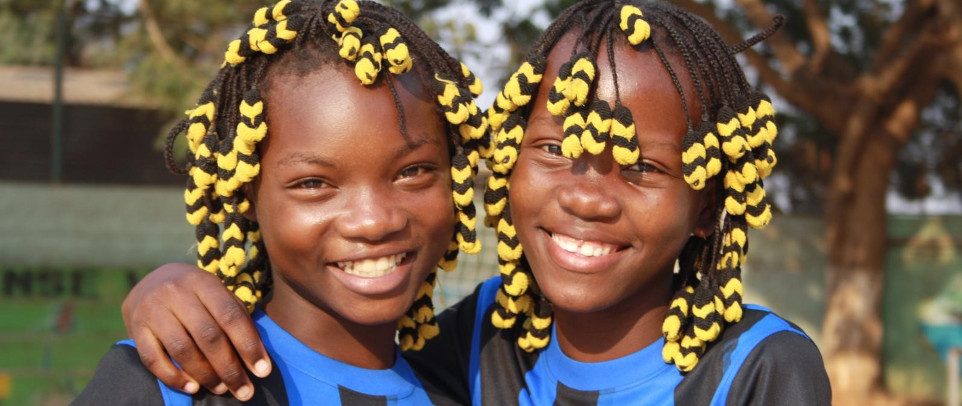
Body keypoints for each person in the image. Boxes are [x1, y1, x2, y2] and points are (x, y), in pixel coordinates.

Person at [118, 1, 832, 405]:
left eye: (641, 167)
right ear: (505, 158)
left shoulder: (759, 368)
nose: (586, 198)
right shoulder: (481, 341)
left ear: (711, 201)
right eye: (553, 150)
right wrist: (167, 285)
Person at [71, 0, 488, 404]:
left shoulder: (473, 381)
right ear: (246, 191)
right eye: (313, 183)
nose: (373, 221)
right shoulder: (172, 382)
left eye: (411, 171)